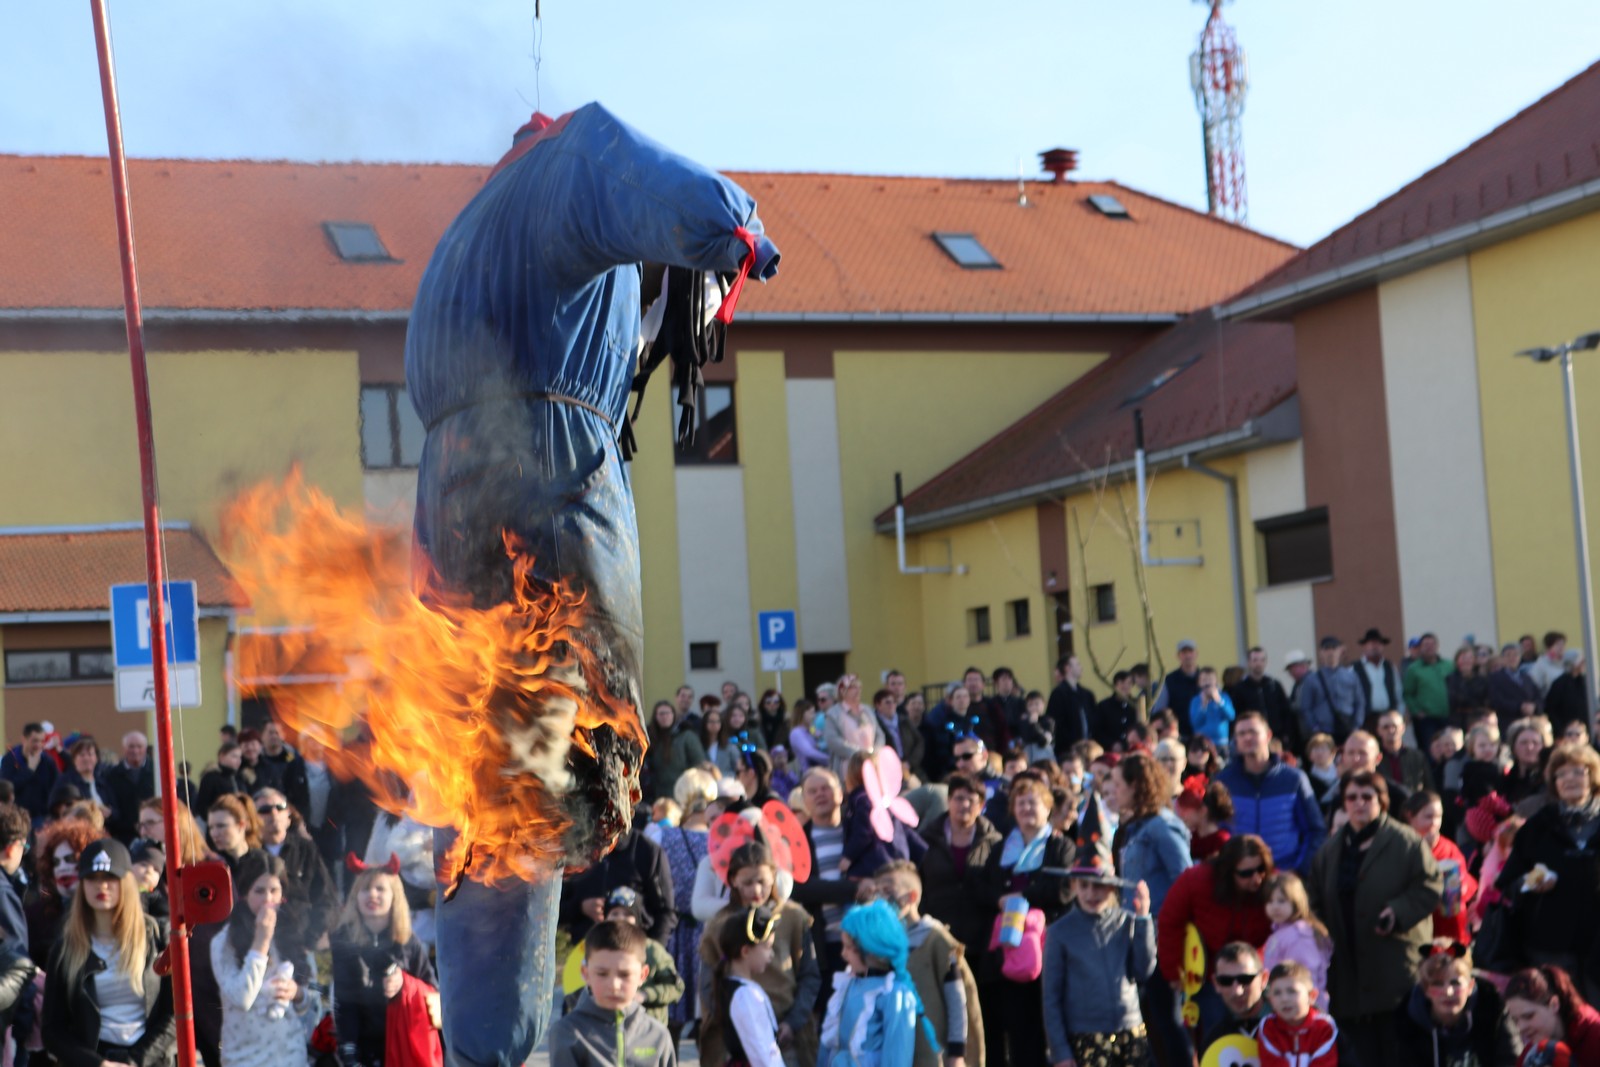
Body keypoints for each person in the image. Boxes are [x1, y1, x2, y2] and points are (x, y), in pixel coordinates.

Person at [1306, 771, 1441, 1067]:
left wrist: (1398, 910)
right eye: (1352, 797)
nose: (1359, 803)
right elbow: (1312, 898)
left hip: (1393, 971)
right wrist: (1317, 931)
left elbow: (1430, 885)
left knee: (1398, 1054)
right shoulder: (1330, 850)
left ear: (1382, 801)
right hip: (1347, 977)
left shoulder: (1406, 841)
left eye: (1367, 797)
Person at [1041, 793, 1154, 1067]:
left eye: (1099, 885)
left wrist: (1142, 921)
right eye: (1084, 885)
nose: (1092, 893)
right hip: (1085, 1037)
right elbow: (1051, 998)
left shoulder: (1126, 921)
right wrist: (1061, 1052)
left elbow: (1144, 969)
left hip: (1130, 1030)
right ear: (1074, 886)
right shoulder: (1059, 932)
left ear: (1112, 887)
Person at [41, 839, 174, 1067]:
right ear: (82, 885)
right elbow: (53, 1030)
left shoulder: (156, 936)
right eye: (92, 878)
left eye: (110, 878)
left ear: (127, 883)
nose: (101, 886)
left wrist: (135, 1062)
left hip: (150, 1060)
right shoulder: (65, 948)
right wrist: (99, 1064)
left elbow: (175, 1015)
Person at [979, 773, 1074, 1067]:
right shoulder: (999, 850)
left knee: (1044, 1024)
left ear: (1048, 808)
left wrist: (1021, 898)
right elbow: (984, 887)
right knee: (1016, 1028)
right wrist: (1000, 900)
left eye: (1033, 803)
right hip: (1009, 951)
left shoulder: (1061, 847)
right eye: (1021, 803)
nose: (1027, 809)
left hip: (1047, 947)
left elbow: (1062, 889)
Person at [698, 842, 821, 1067]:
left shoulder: (793, 917)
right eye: (747, 882)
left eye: (762, 882)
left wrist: (792, 1023)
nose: (756, 890)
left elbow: (809, 976)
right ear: (733, 880)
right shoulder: (719, 925)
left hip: (787, 1031)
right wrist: (736, 1025)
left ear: (774, 876)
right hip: (732, 1038)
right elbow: (708, 984)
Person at [1495, 741, 1600, 995]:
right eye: (1560, 774)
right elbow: (1508, 884)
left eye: (1578, 771)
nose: (1569, 779)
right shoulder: (1537, 827)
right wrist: (1529, 884)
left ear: (1593, 776)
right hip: (1550, 948)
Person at [1107, 752, 1191, 1066]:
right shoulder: (1134, 827)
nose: (1113, 790)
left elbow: (1184, 879)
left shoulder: (1161, 826)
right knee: (1152, 1019)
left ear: (1136, 786)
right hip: (1137, 934)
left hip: (1162, 936)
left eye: (1118, 783)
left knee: (1168, 1018)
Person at [1157, 832, 1275, 1039]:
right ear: (1229, 872)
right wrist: (1174, 972)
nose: (1256, 878)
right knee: (1217, 1036)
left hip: (1257, 975)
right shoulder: (1196, 881)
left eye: (1260, 869)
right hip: (1211, 976)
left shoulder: (1272, 886)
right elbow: (1169, 922)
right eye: (1246, 873)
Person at [330, 859, 438, 1067]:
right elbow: (344, 1001)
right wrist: (349, 1050)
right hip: (363, 1045)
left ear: (395, 897)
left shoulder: (409, 942)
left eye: (380, 889)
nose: (372, 894)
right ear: (355, 897)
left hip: (403, 1045)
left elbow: (433, 994)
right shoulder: (344, 941)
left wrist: (404, 984)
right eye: (365, 889)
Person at [213, 853, 317, 1067]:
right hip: (246, 1058)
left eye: (274, 891)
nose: (268, 900)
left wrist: (297, 993)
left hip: (291, 1056)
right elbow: (241, 997)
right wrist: (261, 940)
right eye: (259, 891)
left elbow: (312, 1002)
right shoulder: (224, 942)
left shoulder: (292, 933)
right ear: (244, 894)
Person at [875, 861, 982, 1067]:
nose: (881, 899)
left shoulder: (935, 938)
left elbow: (957, 999)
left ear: (911, 897)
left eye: (887, 891)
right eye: (877, 891)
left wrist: (957, 1053)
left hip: (933, 1052)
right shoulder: (884, 943)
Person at [549, 919, 676, 1067]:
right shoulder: (568, 1032)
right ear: (586, 973)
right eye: (602, 974)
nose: (614, 986)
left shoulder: (658, 1035)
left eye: (624, 975)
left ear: (642, 975)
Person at [915, 772, 1001, 982]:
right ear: (948, 801)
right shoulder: (926, 839)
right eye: (958, 798)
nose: (964, 805)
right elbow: (918, 884)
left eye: (971, 800)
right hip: (937, 934)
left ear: (981, 805)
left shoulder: (995, 841)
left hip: (981, 939)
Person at [818, 900, 925, 1067]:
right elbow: (830, 1044)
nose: (843, 954)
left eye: (849, 948)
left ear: (871, 951)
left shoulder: (894, 994)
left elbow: (897, 1057)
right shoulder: (848, 985)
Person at [1216, 713, 1327, 873]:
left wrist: (1300, 869)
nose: (1247, 738)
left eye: (1253, 732)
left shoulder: (1293, 779)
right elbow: (1215, 828)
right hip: (1237, 877)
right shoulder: (1224, 781)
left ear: (1268, 735)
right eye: (1241, 733)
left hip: (1281, 876)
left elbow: (1315, 830)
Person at [1391, 940, 1517, 1067]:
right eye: (1437, 984)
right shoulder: (1409, 1023)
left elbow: (1511, 1059)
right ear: (1425, 990)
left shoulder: (1493, 1010)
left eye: (1455, 983)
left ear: (1470, 986)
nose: (1448, 992)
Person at [660, 768, 713, 1047]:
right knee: (709, 1018)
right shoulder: (720, 840)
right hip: (710, 932)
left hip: (677, 932)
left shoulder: (663, 837)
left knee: (673, 1018)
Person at [253, 787, 338, 942]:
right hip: (262, 942)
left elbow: (326, 897)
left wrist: (312, 937)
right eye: (265, 810)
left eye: (280, 808)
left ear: (289, 817)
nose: (274, 814)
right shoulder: (250, 855)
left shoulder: (306, 849)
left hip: (303, 940)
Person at [1401, 791, 1477, 945]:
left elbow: (1465, 881)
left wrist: (1461, 887)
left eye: (1438, 817)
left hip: (1451, 929)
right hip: (1419, 929)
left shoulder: (1449, 847)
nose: (1435, 823)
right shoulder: (1401, 846)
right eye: (1428, 817)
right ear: (1410, 816)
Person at [713, 904, 785, 1067]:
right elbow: (760, 1050)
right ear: (745, 951)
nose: (771, 954)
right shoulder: (744, 996)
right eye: (767, 947)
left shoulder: (738, 988)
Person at [601, 886, 684, 1026]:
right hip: (608, 1029)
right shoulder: (598, 950)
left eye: (627, 914)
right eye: (615, 913)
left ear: (637, 919)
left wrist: (645, 995)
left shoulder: (652, 950)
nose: (620, 919)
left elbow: (676, 987)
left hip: (648, 1029)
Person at [839, 750, 925, 877]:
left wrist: (848, 856)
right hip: (897, 862)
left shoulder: (863, 800)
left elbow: (863, 831)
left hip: (872, 866)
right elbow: (906, 833)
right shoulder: (888, 802)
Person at [1254, 961, 1352, 1067]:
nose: (1284, 999)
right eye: (1277, 993)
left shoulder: (1324, 1026)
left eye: (1292, 991)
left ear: (1312, 996)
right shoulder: (1267, 1026)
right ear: (1270, 1000)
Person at [1261, 871, 1331, 1011]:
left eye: (1281, 901)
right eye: (1270, 901)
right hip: (1285, 1006)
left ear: (1296, 901)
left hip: (1303, 1009)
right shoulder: (1280, 934)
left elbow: (1307, 977)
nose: (1275, 906)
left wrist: (1311, 1007)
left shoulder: (1299, 936)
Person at [1503, 965, 1600, 1065]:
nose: (1521, 1027)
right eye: (1515, 1020)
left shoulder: (1595, 1035)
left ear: (1554, 1004)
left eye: (1529, 1016)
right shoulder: (1531, 1054)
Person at [1198, 943, 1269, 1055]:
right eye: (1226, 981)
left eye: (1245, 979)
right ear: (1216, 983)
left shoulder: (1292, 1025)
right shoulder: (1214, 1041)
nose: (1237, 991)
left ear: (1264, 979)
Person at [1300, 637, 1366, 746]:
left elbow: (1360, 702)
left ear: (1340, 651)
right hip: (1324, 731)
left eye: (1334, 648)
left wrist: (1356, 726)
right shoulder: (1312, 679)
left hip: (1348, 729)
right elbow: (1306, 707)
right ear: (1321, 653)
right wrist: (1315, 728)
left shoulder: (1351, 676)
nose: (1330, 652)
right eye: (1327, 649)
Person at [825, 675, 885, 780]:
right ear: (842, 691)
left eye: (859, 687)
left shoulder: (867, 710)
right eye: (853, 687)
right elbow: (832, 740)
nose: (857, 690)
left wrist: (875, 751)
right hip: (848, 768)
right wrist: (859, 754)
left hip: (871, 764)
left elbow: (879, 734)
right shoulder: (833, 713)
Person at [100, 732, 155, 845]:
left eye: (139, 746)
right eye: (131, 746)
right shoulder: (111, 775)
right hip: (122, 836)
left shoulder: (157, 773)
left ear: (145, 748)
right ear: (124, 749)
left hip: (153, 833)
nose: (135, 751)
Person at [647, 701, 708, 802]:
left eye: (668, 713)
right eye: (661, 714)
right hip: (657, 794)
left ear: (673, 715)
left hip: (683, 791)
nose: (665, 716)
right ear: (655, 716)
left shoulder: (686, 736)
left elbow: (699, 762)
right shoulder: (650, 738)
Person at [0, 722, 58, 825]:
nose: (39, 745)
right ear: (24, 739)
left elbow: (55, 786)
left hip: (42, 817)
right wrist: (29, 770)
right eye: (35, 741)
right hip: (17, 817)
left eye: (42, 741)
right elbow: (7, 787)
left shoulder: (47, 761)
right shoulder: (10, 759)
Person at [1404, 634, 1453, 749]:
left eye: (1432, 644)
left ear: (1437, 646)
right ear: (1420, 647)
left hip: (1448, 716)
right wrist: (1416, 711)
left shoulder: (1449, 665)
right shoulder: (1413, 669)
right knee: (1430, 749)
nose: (1429, 647)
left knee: (1449, 748)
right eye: (1426, 645)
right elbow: (1408, 693)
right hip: (1427, 720)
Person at [1352, 628, 1405, 730]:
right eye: (1371, 643)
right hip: (1366, 720)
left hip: (1388, 718)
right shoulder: (1354, 668)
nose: (1374, 647)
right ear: (1364, 646)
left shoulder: (1389, 667)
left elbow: (1398, 693)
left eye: (1377, 643)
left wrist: (1399, 715)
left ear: (1382, 646)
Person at [1375, 709, 1433, 796]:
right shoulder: (1373, 758)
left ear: (1403, 728)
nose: (1391, 730)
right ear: (1378, 730)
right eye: (1386, 727)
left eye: (1395, 726)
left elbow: (1429, 787)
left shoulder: (1417, 756)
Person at [1045, 655, 1097, 754]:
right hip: (1067, 750)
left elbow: (1093, 720)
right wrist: (1072, 742)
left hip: (1089, 749)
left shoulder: (1086, 694)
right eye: (1077, 664)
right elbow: (1055, 723)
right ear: (1067, 668)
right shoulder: (1058, 694)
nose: (1080, 667)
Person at [1151, 639, 1203, 736]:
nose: (1187, 656)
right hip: (1178, 734)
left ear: (1196, 654)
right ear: (1178, 656)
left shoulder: (1206, 678)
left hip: (1204, 735)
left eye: (1190, 652)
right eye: (1184, 652)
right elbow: (1159, 711)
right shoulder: (1168, 681)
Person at [1175, 776, 1233, 860]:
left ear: (1203, 811)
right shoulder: (1190, 838)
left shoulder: (1221, 842)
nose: (1181, 815)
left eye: (1185, 810)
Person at [1502, 716, 1554, 807]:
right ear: (1513, 747)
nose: (1530, 748)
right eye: (1523, 742)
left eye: (1535, 743)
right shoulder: (1504, 781)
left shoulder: (1551, 781)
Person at [1490, 643, 1543, 729]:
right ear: (1502, 658)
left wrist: (1534, 707)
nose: (1512, 658)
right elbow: (1496, 700)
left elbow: (1538, 696)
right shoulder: (1495, 677)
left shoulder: (1527, 677)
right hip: (1509, 722)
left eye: (1515, 655)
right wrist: (1519, 707)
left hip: (1530, 722)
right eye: (1508, 655)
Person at [1545, 650, 1593, 743]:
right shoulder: (1559, 683)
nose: (1583, 664)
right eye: (1580, 662)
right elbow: (1551, 709)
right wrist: (1560, 730)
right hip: (1566, 731)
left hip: (1585, 729)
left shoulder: (1585, 681)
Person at [1189, 667, 1237, 752]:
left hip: (1221, 743)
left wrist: (1220, 702)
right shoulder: (1196, 700)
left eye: (1210, 680)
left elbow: (1231, 716)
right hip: (1202, 743)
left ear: (1216, 681)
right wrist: (1203, 706)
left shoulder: (1224, 697)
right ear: (1199, 683)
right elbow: (1195, 723)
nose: (1207, 683)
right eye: (1204, 680)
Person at [789, 700, 829, 774]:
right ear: (802, 714)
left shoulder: (810, 729)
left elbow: (823, 738)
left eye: (814, 713)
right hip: (809, 773)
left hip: (820, 770)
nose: (814, 716)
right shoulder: (797, 733)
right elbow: (809, 752)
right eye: (811, 713)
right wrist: (829, 759)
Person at [1527, 632, 1571, 699]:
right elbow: (1533, 687)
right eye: (1558, 644)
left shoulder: (1568, 663)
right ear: (1549, 647)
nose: (1562, 647)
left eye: (1563, 644)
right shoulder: (1541, 664)